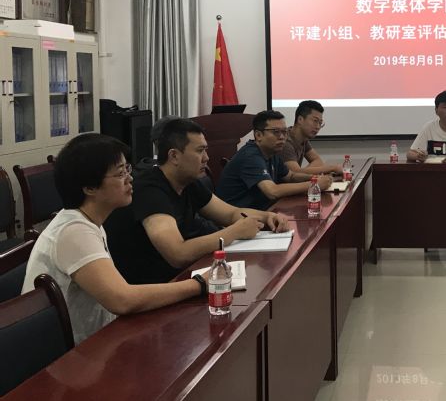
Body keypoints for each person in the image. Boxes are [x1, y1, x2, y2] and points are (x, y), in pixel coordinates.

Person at [22, 133, 206, 344]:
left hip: (101, 337)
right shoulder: (73, 231)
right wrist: (199, 284)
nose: (130, 178)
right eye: (120, 173)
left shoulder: (90, 221)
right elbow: (122, 300)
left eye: (128, 169)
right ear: (89, 188)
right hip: (74, 353)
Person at [105, 118, 290, 284]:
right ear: (174, 156)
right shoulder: (150, 190)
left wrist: (267, 216)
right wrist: (234, 232)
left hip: (181, 277)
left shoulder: (188, 182)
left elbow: (230, 213)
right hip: (153, 288)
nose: (206, 158)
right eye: (200, 151)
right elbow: (177, 253)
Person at [216, 110, 333, 209]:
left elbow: (290, 176)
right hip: (237, 219)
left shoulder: (272, 151)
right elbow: (272, 191)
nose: (282, 137)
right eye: (276, 132)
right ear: (258, 135)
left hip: (261, 211)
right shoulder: (250, 156)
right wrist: (314, 185)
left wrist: (315, 178)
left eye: (284, 132)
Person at [281, 100, 343, 174]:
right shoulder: (285, 142)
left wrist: (303, 172)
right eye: (315, 121)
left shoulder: (303, 139)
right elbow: (295, 174)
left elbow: (318, 161)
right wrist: (332, 168)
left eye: (320, 123)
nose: (318, 127)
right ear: (300, 119)